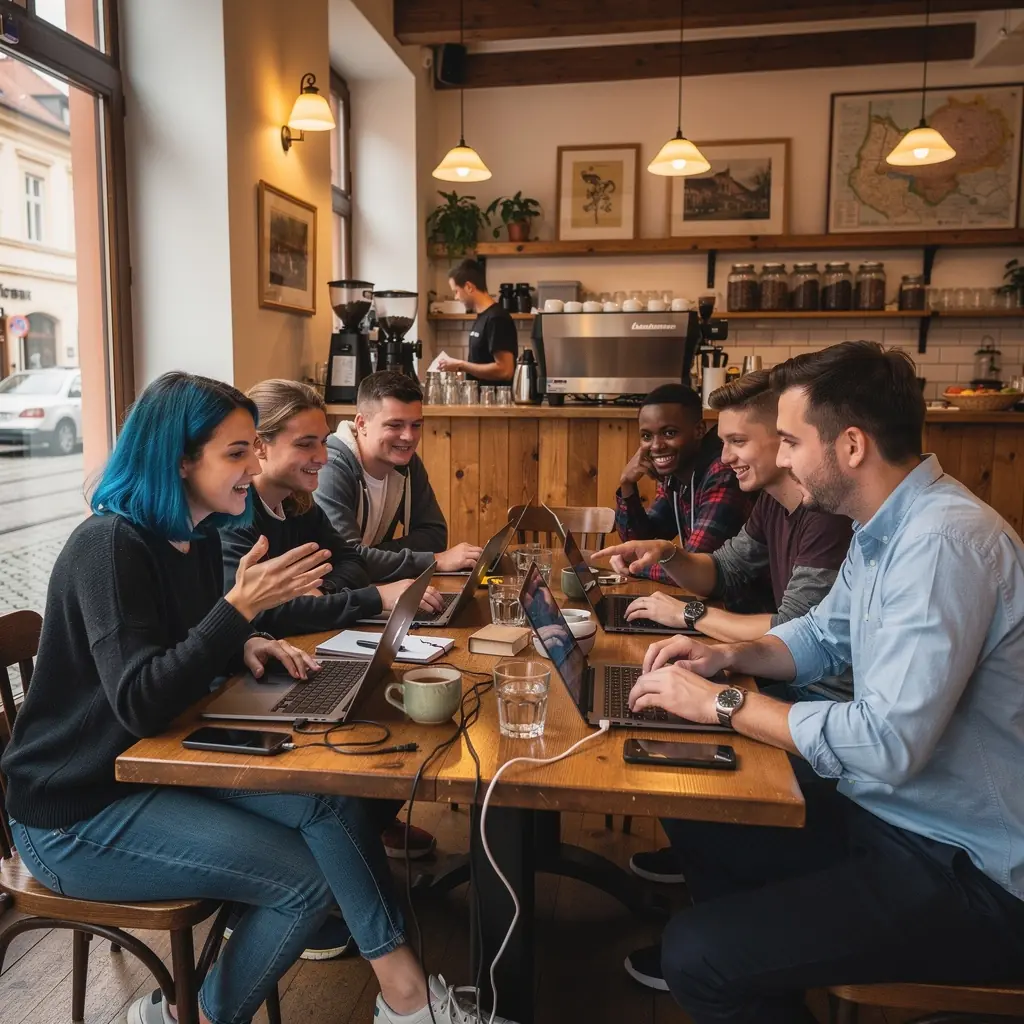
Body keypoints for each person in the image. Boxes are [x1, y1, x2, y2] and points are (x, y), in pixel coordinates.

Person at [1, 372, 514, 1024]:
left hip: (157, 766)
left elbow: (175, 646)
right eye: (236, 452)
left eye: (252, 449)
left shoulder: (200, 532)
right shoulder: (108, 547)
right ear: (181, 458)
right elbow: (140, 700)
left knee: (329, 800)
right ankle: (188, 1017)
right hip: (75, 812)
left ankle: (405, 999)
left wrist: (240, 642)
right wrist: (237, 613)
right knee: (303, 882)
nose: (252, 466)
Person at [624, 342, 1024, 1022]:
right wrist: (728, 658)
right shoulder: (883, 526)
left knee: (697, 954)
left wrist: (723, 703)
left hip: (971, 870)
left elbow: (887, 745)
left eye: (790, 441)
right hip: (897, 818)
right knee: (701, 811)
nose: (782, 459)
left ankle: (747, 964)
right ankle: (771, 968)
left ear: (852, 446)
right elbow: (822, 636)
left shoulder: (942, 544)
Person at [219, 379, 444, 958]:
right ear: (260, 448)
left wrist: (323, 591)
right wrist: (365, 597)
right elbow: (276, 610)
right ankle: (281, 893)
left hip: (285, 659)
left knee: (387, 723)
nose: (324, 457)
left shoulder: (296, 503)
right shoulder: (233, 519)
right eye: (307, 444)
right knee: (368, 743)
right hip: (233, 694)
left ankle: (349, 865)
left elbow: (344, 564)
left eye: (323, 441)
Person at [315, 371, 482, 581]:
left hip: (366, 587)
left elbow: (434, 535)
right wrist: (433, 560)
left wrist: (374, 554)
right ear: (361, 424)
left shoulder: (407, 462)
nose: (408, 437)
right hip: (326, 597)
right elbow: (346, 559)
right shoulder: (331, 467)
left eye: (416, 425)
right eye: (395, 425)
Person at [614, 382, 754, 579]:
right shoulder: (676, 476)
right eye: (647, 436)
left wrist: (635, 565)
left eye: (669, 433)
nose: (656, 446)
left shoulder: (722, 474)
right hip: (707, 600)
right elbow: (641, 539)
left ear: (698, 430)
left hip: (739, 606)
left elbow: (691, 566)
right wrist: (627, 484)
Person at [436, 258, 518, 383]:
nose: (456, 297)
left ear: (469, 287)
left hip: (495, 401)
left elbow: (505, 370)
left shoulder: (497, 318)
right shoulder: (482, 317)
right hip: (480, 400)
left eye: (456, 291)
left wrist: (461, 365)